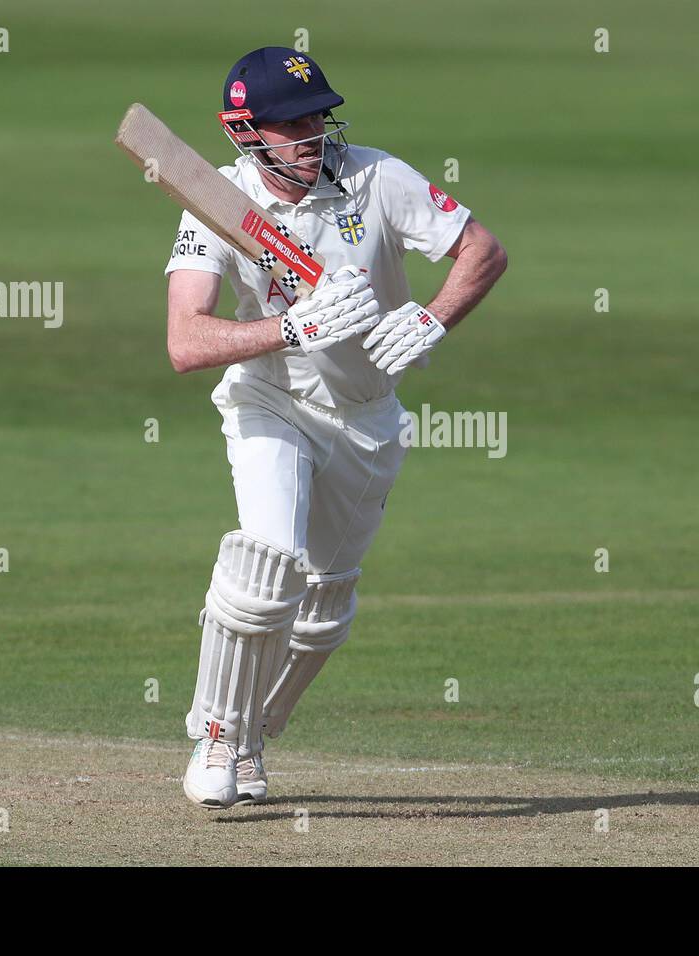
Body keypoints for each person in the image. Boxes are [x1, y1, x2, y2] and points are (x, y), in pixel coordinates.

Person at [164, 47, 507, 807]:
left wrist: (432, 317)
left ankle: (252, 739)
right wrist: (290, 331)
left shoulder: (377, 177)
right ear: (246, 132)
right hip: (271, 402)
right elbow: (186, 342)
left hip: (366, 416)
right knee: (265, 572)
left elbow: (482, 249)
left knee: (321, 612)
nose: (312, 132)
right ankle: (217, 735)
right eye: (292, 123)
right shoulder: (219, 202)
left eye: (318, 114)